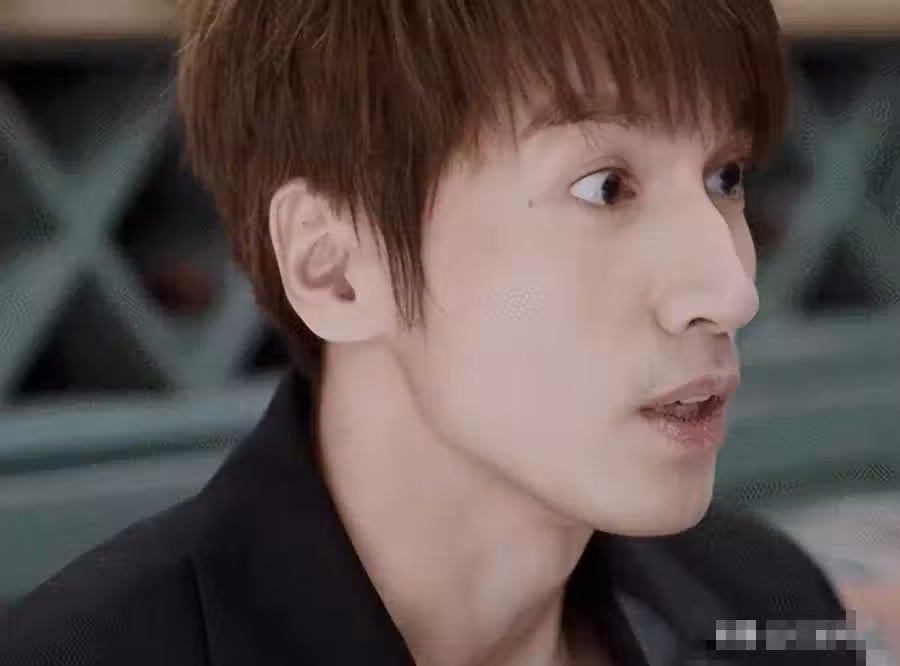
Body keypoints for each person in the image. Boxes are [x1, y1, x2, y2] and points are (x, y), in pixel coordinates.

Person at [0, 1, 876, 664]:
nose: (731, 290)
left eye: (725, 177)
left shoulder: (769, 605)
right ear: (334, 268)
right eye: (606, 187)